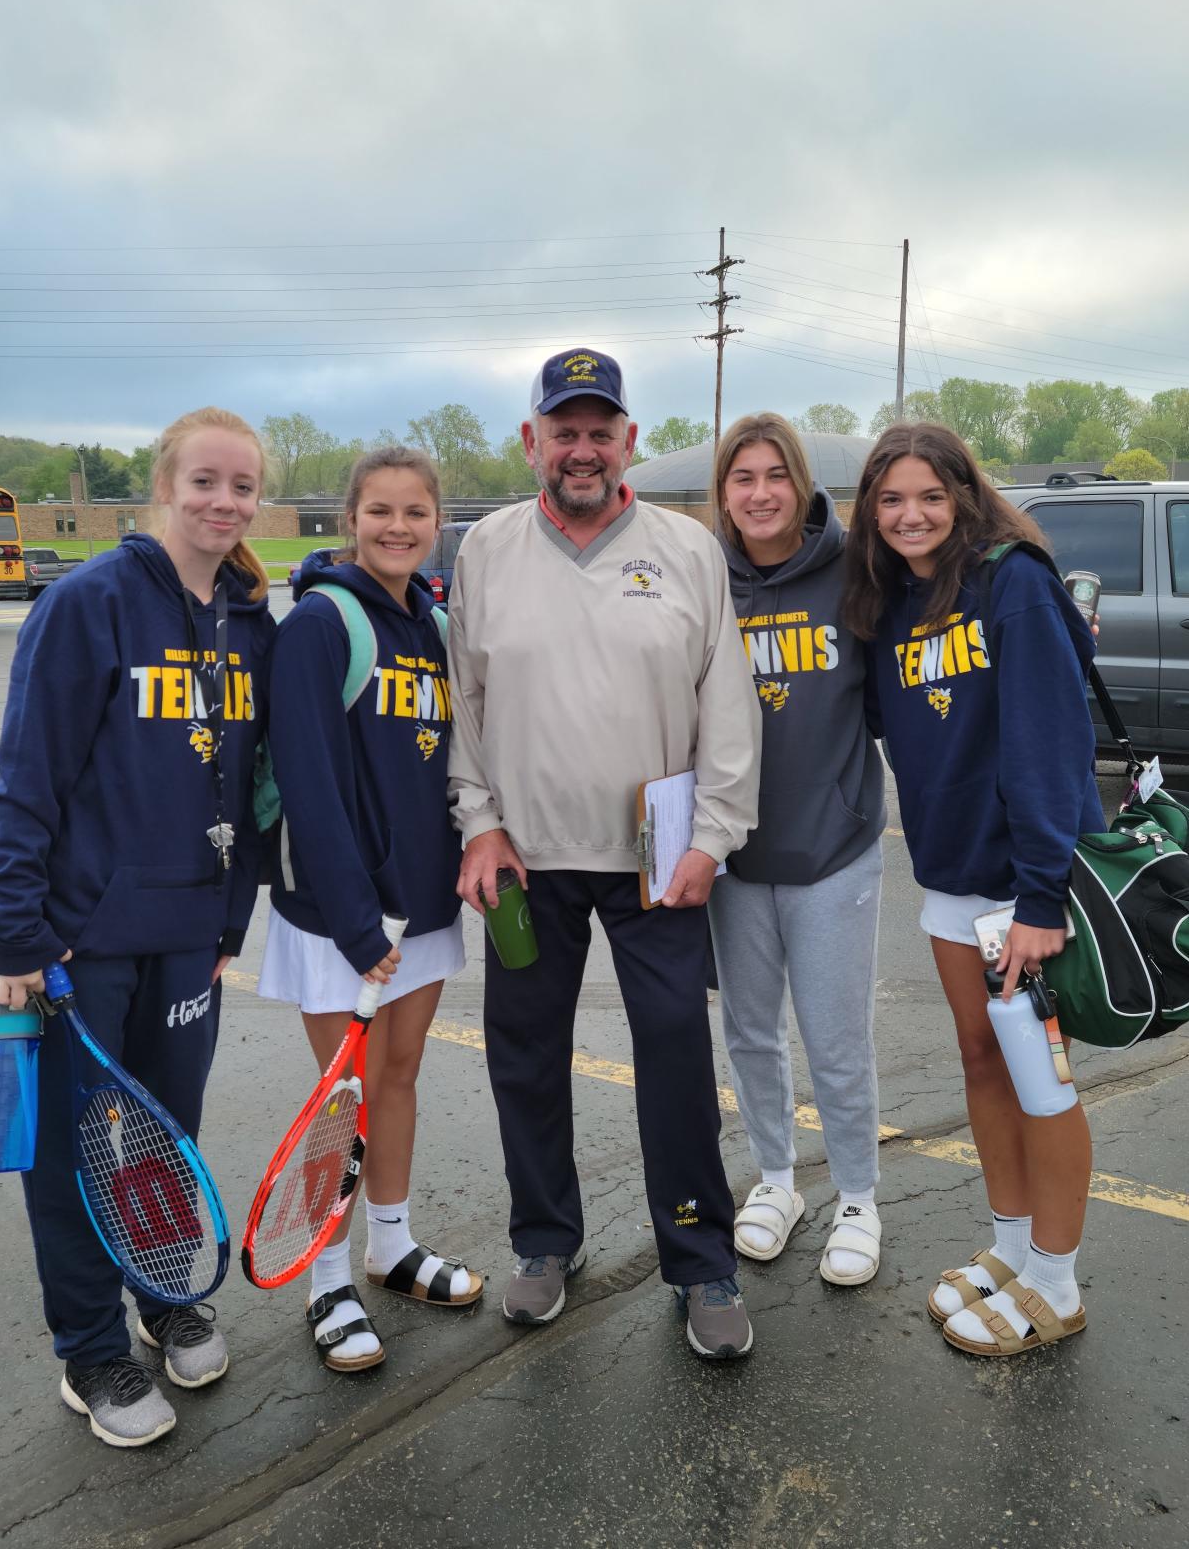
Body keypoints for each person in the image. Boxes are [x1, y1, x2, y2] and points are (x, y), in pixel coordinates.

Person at [448, 347, 761, 1360]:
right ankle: (545, 1242)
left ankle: (700, 1256)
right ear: (532, 440)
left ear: (629, 439)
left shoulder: (687, 550)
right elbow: (465, 708)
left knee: (674, 1052)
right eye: (563, 429)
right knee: (525, 1055)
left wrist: (713, 838)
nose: (581, 449)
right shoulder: (486, 552)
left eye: (600, 429)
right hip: (526, 865)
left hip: (655, 862)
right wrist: (479, 820)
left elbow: (728, 710)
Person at [0, 406, 275, 1447]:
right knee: (71, 1154)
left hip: (189, 934)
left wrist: (230, 919)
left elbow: (248, 784)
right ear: (164, 485)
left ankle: (162, 1294)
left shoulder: (249, 621)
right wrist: (15, 932)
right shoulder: (88, 604)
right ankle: (91, 1349)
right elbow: (26, 780)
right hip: (79, 940)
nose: (223, 503)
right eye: (205, 481)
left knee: (158, 1135)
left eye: (242, 487)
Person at [842, 421, 1099, 1357]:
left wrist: (1041, 898)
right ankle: (1012, 1249)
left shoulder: (1012, 582)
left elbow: (1049, 744)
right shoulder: (892, 601)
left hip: (1017, 890)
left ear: (964, 498)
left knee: (1043, 1083)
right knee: (982, 1064)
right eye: (891, 499)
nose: (911, 516)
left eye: (930, 497)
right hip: (949, 878)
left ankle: (1057, 1285)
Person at [257, 445, 480, 1374]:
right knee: (337, 1100)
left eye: (415, 513)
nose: (397, 527)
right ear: (351, 519)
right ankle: (326, 1281)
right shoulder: (320, 622)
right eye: (380, 511)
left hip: (418, 912)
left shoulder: (428, 623)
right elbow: (308, 783)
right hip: (341, 919)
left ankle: (389, 1245)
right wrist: (353, 920)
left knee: (397, 1079)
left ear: (436, 523)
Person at [706, 414, 886, 1285]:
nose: (761, 492)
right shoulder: (706, 580)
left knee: (836, 1038)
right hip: (735, 860)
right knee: (749, 1034)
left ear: (802, 482)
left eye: (776, 474)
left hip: (834, 852)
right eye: (743, 477)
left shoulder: (855, 573)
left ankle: (858, 1193)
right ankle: (776, 1178)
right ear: (724, 493)